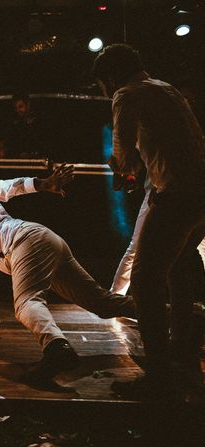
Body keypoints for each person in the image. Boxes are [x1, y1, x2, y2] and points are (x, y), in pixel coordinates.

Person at [0, 167, 137, 383]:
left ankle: (57, 349)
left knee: (26, 303)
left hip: (26, 242)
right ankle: (163, 313)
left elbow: (0, 188)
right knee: (101, 303)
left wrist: (41, 184)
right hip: (45, 242)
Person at [93, 44, 205, 396]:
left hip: (176, 193)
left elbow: (124, 154)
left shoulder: (127, 94)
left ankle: (158, 373)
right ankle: (182, 348)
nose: (104, 90)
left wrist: (120, 168)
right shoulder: (165, 87)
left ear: (111, 77)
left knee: (144, 279)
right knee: (179, 269)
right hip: (199, 189)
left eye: (102, 83)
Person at [1, 92, 45, 159]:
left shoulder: (39, 122)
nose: (18, 110)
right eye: (16, 108)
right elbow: (9, 144)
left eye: (20, 106)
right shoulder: (15, 123)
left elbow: (42, 146)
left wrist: (31, 155)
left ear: (28, 105)